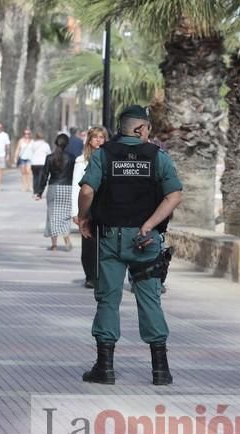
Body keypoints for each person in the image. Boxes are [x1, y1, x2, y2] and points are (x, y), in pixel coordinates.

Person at [77, 105, 183, 386]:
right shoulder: (158, 157)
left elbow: (87, 190)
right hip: (145, 240)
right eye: (147, 127)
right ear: (141, 128)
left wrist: (83, 218)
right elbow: (174, 196)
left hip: (111, 238)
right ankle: (160, 370)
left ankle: (105, 367)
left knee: (108, 299)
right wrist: (149, 224)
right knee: (150, 300)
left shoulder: (103, 154)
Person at [72, 127, 108, 288]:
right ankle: (91, 276)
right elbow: (76, 187)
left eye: (102, 137)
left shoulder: (109, 159)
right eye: (95, 137)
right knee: (89, 242)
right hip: (87, 206)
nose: (99, 140)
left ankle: (103, 275)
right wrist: (76, 212)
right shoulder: (81, 161)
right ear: (89, 140)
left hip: (105, 206)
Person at [35, 133, 74, 251]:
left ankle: (54, 245)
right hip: (68, 188)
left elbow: (44, 175)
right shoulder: (72, 158)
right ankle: (66, 236)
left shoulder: (50, 157)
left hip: (54, 187)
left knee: (52, 216)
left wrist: (39, 192)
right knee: (66, 215)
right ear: (67, 144)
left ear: (55, 143)